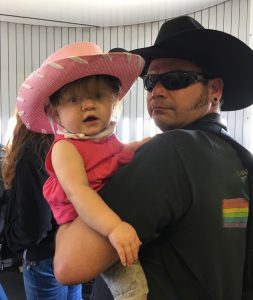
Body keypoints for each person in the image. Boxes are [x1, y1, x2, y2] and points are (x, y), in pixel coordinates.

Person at [51, 15, 253, 300]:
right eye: (150, 81)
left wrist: (64, 223)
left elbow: (69, 265)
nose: (157, 91)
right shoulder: (238, 161)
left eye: (174, 79)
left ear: (215, 90)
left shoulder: (169, 152)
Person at [16, 41, 149, 300]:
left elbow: (118, 155)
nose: (88, 105)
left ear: (113, 101)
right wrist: (113, 228)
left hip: (103, 210)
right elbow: (78, 192)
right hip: (84, 219)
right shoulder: (65, 148)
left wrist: (142, 146)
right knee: (132, 284)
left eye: (98, 96)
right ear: (56, 112)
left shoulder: (103, 138)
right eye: (74, 100)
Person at [2, 112, 83, 299]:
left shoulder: (33, 151)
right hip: (71, 249)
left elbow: (35, 226)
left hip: (45, 257)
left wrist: (13, 241)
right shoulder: (67, 145)